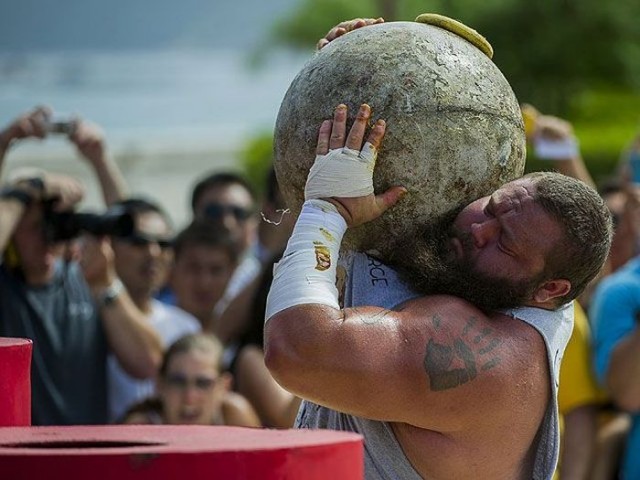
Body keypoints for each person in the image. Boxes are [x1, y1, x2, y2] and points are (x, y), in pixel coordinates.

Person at [264, 103, 612, 479]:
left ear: (550, 289)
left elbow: (297, 347)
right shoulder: (489, 278)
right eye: (492, 208)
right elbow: (452, 114)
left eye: (505, 243)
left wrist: (325, 209)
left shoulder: (489, 358)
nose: (479, 230)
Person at [106, 198, 201, 422]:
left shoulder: (187, 326)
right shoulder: (85, 317)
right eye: (139, 242)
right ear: (109, 248)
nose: (153, 252)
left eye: (164, 243)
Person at [121, 333, 260, 427]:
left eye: (203, 383)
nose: (190, 397)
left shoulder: (234, 416)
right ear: (160, 385)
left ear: (224, 387)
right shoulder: (141, 428)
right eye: (178, 382)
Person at [169, 220, 239, 331]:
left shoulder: (244, 339)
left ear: (232, 273)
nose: (204, 283)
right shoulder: (151, 331)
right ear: (171, 271)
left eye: (216, 271)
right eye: (193, 269)